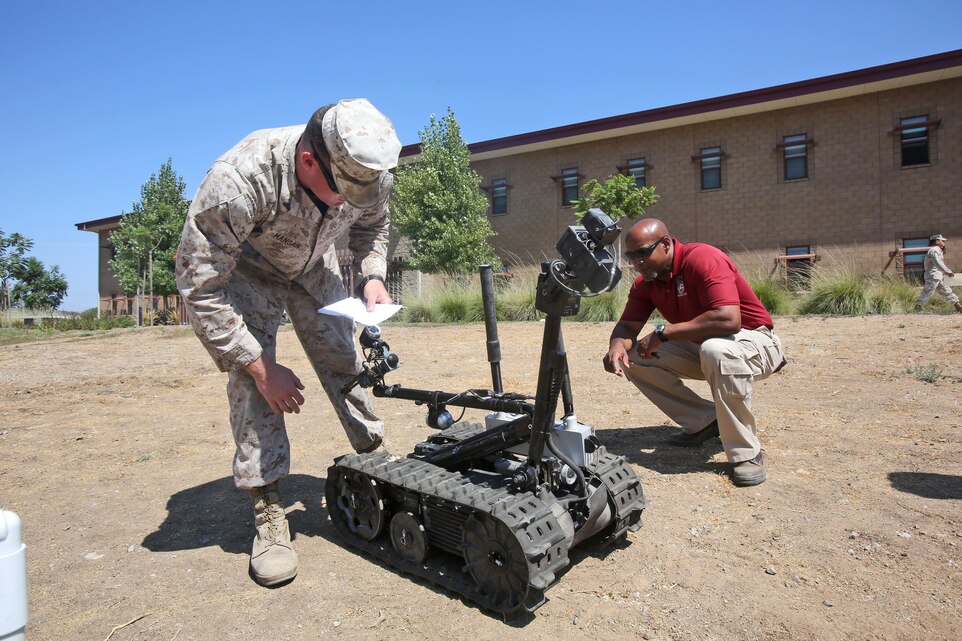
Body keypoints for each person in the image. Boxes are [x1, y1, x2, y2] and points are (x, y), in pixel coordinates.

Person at [175, 99, 401, 586]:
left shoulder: (367, 171)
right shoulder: (238, 180)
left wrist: (372, 276)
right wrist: (259, 366)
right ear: (307, 161)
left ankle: (375, 459)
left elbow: (373, 226)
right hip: (246, 273)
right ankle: (268, 507)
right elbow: (200, 288)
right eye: (339, 193)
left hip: (313, 267)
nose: (346, 202)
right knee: (256, 384)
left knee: (344, 356)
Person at [603, 218, 786, 487]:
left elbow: (728, 320)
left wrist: (664, 333)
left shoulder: (703, 258)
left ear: (665, 244)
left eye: (643, 253)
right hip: (705, 347)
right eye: (631, 256)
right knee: (635, 356)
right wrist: (617, 345)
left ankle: (747, 453)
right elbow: (628, 326)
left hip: (755, 342)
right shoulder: (647, 283)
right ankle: (705, 421)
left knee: (716, 348)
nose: (636, 263)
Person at [914, 234, 962, 312]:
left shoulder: (936, 250)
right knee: (928, 292)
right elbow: (938, 263)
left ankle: (958, 306)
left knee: (946, 290)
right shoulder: (934, 250)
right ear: (937, 241)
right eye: (942, 241)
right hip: (933, 275)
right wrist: (948, 271)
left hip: (937, 276)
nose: (944, 242)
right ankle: (918, 308)